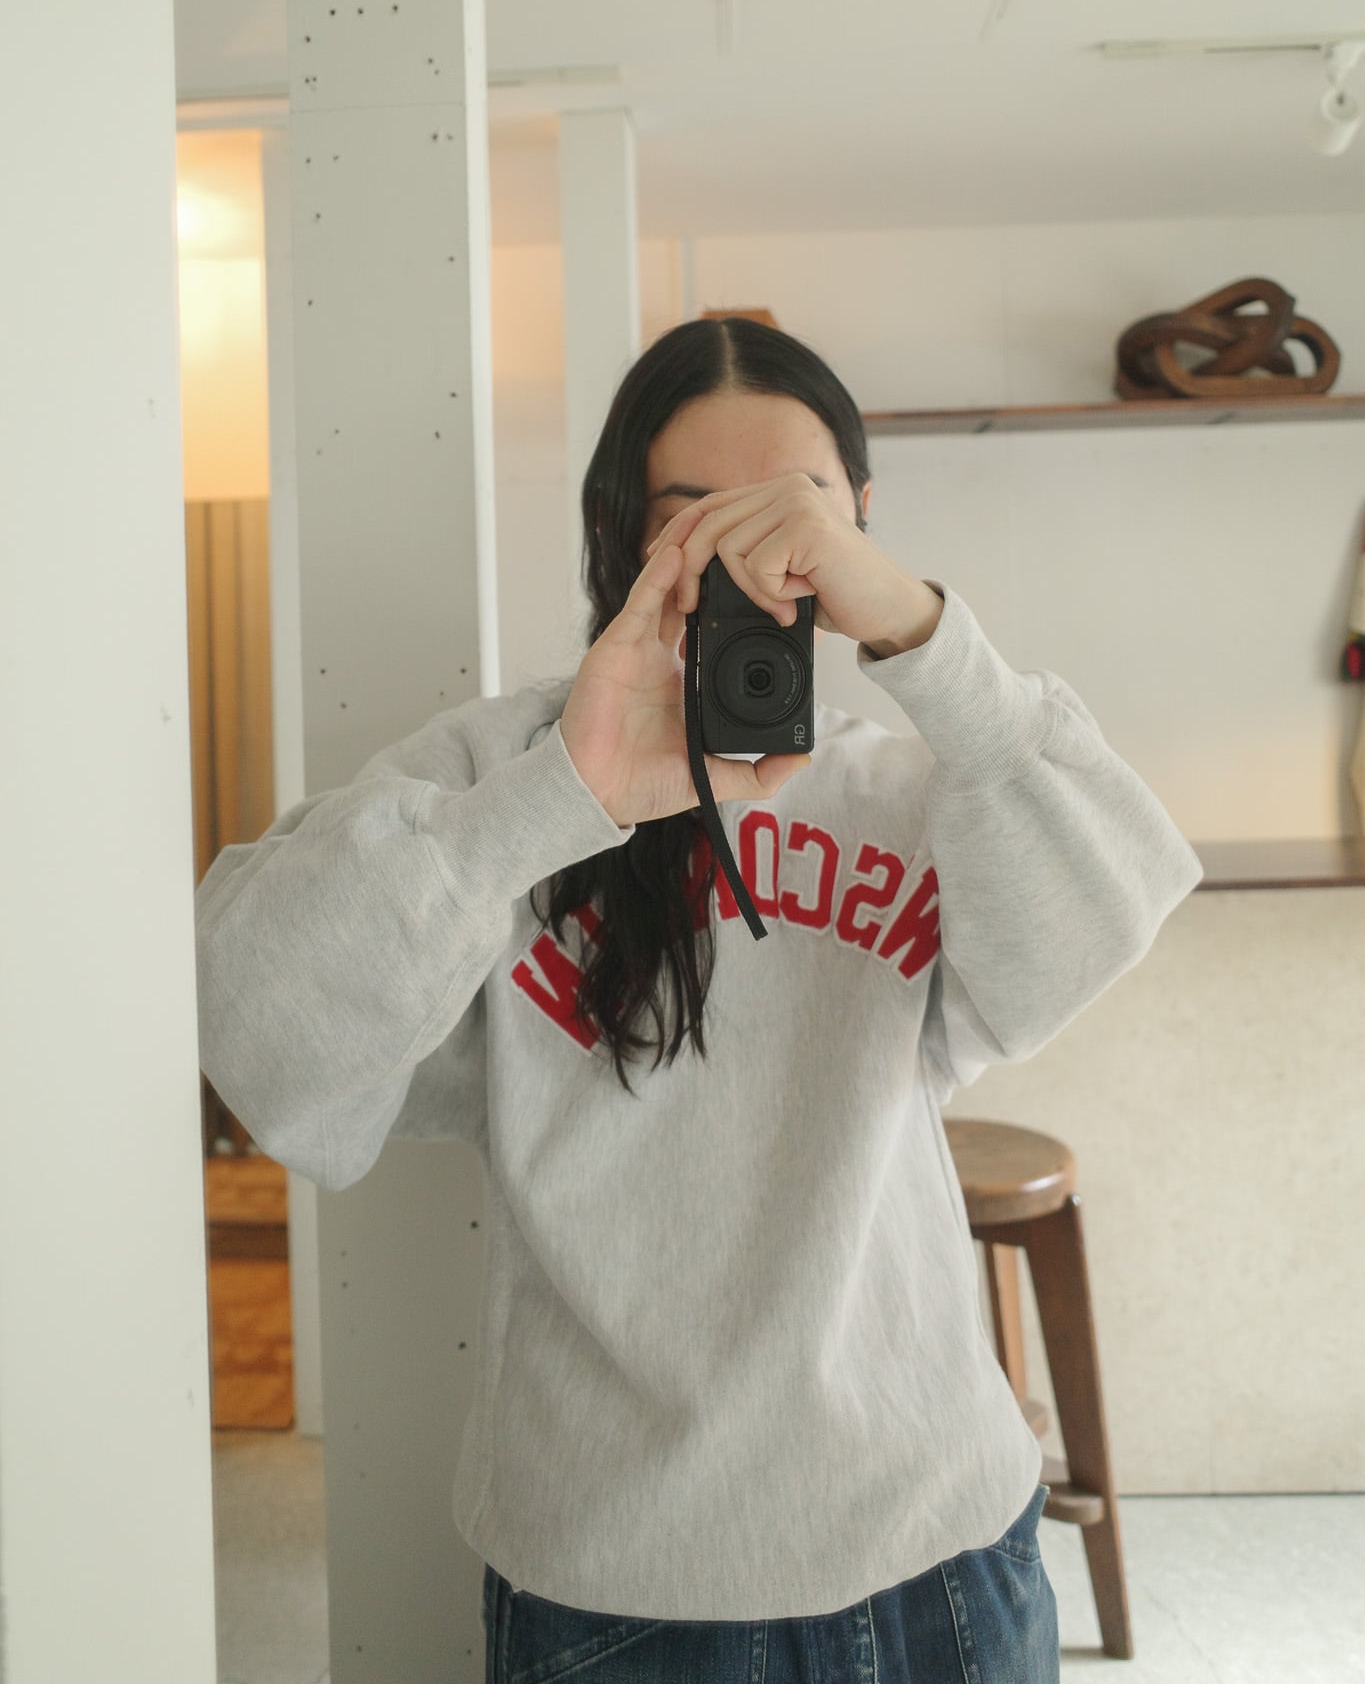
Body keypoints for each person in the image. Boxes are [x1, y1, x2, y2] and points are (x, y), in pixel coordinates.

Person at [195, 315, 1204, 1683]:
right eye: (693, 517)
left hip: (935, 1543)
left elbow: (1114, 902)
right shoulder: (501, 774)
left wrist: (923, 634)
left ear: (858, 522)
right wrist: (559, 795)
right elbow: (257, 1026)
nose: (749, 556)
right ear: (622, 536)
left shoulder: (915, 785)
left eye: (795, 513)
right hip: (618, 1572)